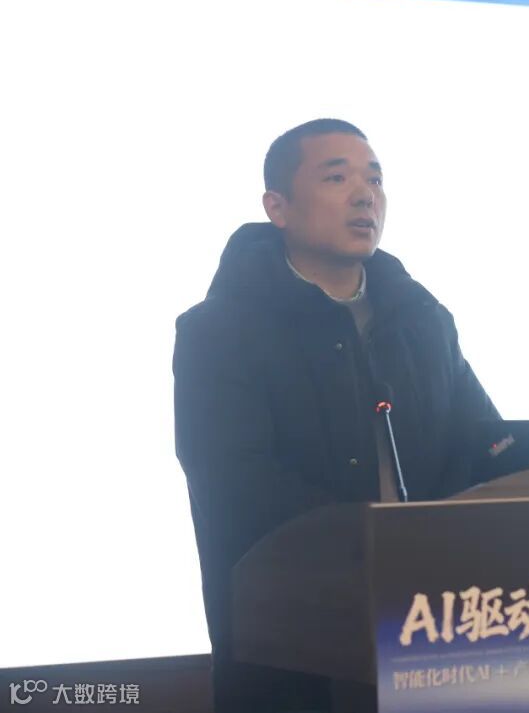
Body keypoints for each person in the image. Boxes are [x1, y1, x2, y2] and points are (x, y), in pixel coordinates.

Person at [173, 118, 499, 712]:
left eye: (375, 179)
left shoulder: (423, 319)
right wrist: (381, 545)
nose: (364, 194)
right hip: (292, 644)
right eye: (336, 177)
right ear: (278, 207)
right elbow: (235, 483)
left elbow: (487, 446)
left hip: (431, 634)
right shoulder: (218, 332)